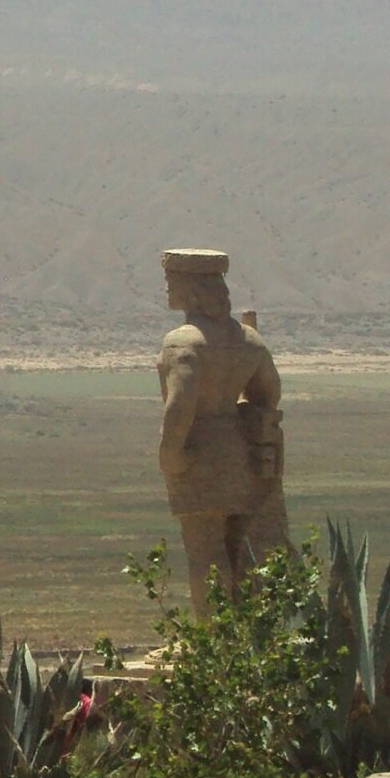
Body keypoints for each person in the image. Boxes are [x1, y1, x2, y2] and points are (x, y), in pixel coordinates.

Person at [156, 248, 290, 614]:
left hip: (199, 458)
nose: (168, 289)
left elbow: (180, 407)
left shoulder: (183, 343)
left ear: (192, 286)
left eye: (173, 282)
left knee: (206, 553)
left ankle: (212, 639)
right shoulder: (249, 340)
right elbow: (269, 393)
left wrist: (171, 457)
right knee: (242, 550)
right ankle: (245, 633)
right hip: (242, 456)